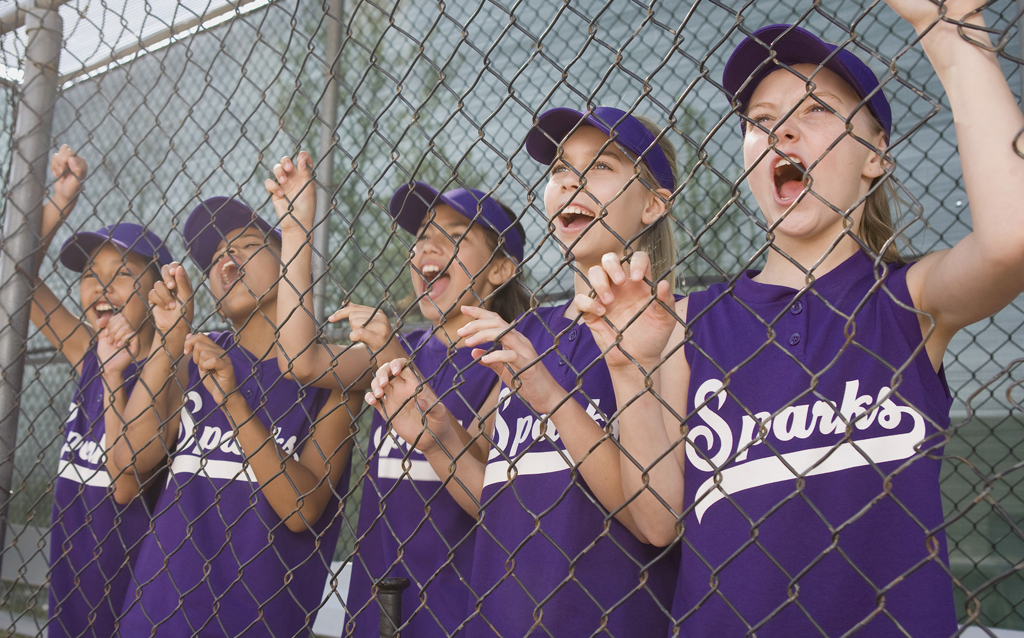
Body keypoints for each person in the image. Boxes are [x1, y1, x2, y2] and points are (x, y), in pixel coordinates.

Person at [578, 3, 1024, 636]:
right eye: (762, 121)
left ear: (876, 155)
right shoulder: (688, 321)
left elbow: (1011, 240)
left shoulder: (903, 301)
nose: (783, 129)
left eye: (816, 109)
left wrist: (950, 34)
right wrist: (631, 368)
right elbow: (657, 520)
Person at [364, 106, 680, 637]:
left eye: (599, 165)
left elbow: (656, 521)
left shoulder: (674, 326)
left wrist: (553, 397)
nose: (570, 180)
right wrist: (438, 438)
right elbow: (499, 505)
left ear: (652, 203)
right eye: (559, 169)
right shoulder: (526, 332)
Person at [265, 152, 528, 636]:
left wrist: (388, 351)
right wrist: (298, 229)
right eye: (422, 237)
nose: (427, 247)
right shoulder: (407, 347)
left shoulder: (515, 357)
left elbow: (493, 485)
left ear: (500, 270)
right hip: (375, 609)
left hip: (460, 614)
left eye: (452, 236)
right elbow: (299, 360)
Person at [111, 196, 357, 636]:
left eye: (244, 244)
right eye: (216, 257)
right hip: (155, 614)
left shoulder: (334, 375)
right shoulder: (194, 352)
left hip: (253, 621)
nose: (227, 259)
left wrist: (234, 403)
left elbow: (302, 510)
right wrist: (169, 340)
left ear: (289, 260)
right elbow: (127, 462)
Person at [30, 145, 173, 638]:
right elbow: (16, 280)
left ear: (161, 292)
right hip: (70, 575)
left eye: (123, 274)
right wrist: (60, 201)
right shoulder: (88, 353)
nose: (101, 287)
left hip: (130, 587)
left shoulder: (169, 373)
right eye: (91, 275)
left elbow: (126, 482)